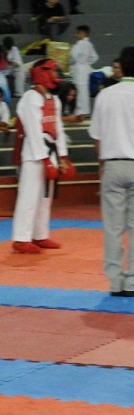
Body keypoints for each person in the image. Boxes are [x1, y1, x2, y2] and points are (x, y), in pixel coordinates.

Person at [11, 59, 72, 254]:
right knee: (29, 196)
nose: (55, 74)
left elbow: (58, 129)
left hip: (50, 151)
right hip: (33, 153)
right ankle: (21, 238)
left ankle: (40, 234)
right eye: (52, 71)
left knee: (45, 197)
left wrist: (63, 157)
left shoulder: (54, 100)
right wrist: (44, 159)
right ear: (42, 73)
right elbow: (33, 131)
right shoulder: (30, 98)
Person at [89, 47, 134, 296]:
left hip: (113, 163)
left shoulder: (105, 95)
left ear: (121, 68)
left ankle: (115, 282)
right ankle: (133, 281)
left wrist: (102, 164)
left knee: (113, 227)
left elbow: (97, 137)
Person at [69, 25, 98, 116]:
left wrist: (79, 62)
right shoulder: (89, 44)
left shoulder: (80, 44)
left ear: (83, 33)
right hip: (84, 69)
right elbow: (95, 57)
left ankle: (80, 111)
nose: (77, 35)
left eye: (78, 33)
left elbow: (73, 55)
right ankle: (85, 111)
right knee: (84, 91)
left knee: (79, 91)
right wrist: (86, 63)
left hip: (79, 70)